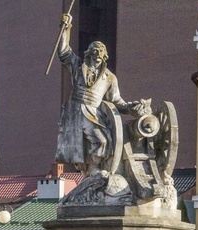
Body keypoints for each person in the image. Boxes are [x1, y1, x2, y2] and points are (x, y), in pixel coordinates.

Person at [55, 13, 142, 177]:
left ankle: (93, 168)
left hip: (93, 113)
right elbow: (64, 52)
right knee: (78, 146)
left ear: (104, 56)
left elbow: (116, 100)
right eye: (94, 50)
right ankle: (89, 171)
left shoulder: (109, 78)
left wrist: (130, 107)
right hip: (74, 110)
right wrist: (65, 28)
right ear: (88, 53)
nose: (96, 53)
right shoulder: (78, 65)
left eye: (100, 51)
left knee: (103, 141)